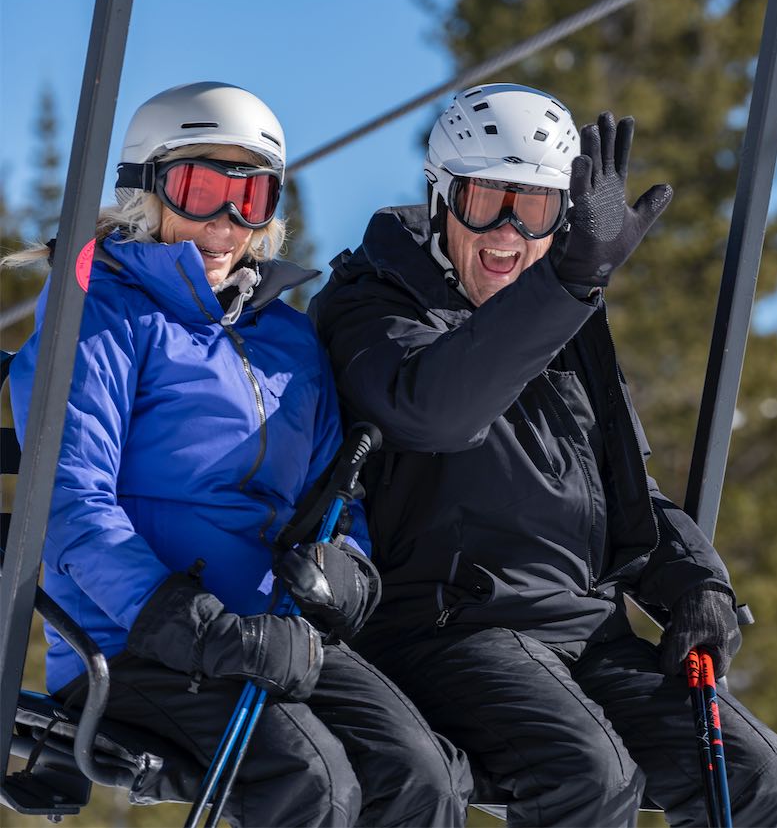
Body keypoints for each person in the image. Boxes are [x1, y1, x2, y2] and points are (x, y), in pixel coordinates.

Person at [309, 82, 777, 826]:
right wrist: (569, 284)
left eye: (534, 207)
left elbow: (630, 490)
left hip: (585, 632)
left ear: (563, 221)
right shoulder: (371, 307)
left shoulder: (569, 325)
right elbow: (437, 410)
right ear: (442, 196)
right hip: (447, 629)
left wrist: (700, 583)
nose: (507, 231)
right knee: (590, 775)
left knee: (760, 775)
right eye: (486, 200)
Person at [6, 82, 472, 827]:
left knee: (422, 772)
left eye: (250, 197)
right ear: (145, 190)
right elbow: (67, 505)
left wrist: (346, 570)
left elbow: (334, 496)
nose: (225, 222)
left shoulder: (288, 340)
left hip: (273, 635)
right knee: (314, 780)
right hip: (139, 641)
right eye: (200, 188)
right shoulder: (99, 316)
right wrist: (194, 624)